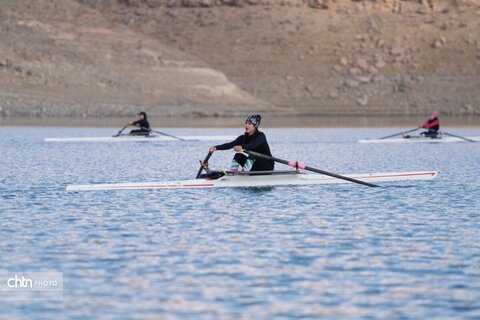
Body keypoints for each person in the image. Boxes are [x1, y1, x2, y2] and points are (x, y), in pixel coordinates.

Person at [206, 115, 274, 172]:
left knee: (253, 155)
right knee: (238, 155)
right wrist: (215, 147)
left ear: (255, 126)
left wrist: (241, 147)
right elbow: (230, 145)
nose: (246, 125)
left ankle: (243, 174)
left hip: (267, 165)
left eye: (249, 124)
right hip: (254, 164)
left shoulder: (261, 136)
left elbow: (253, 145)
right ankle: (233, 173)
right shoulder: (243, 138)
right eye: (246, 123)